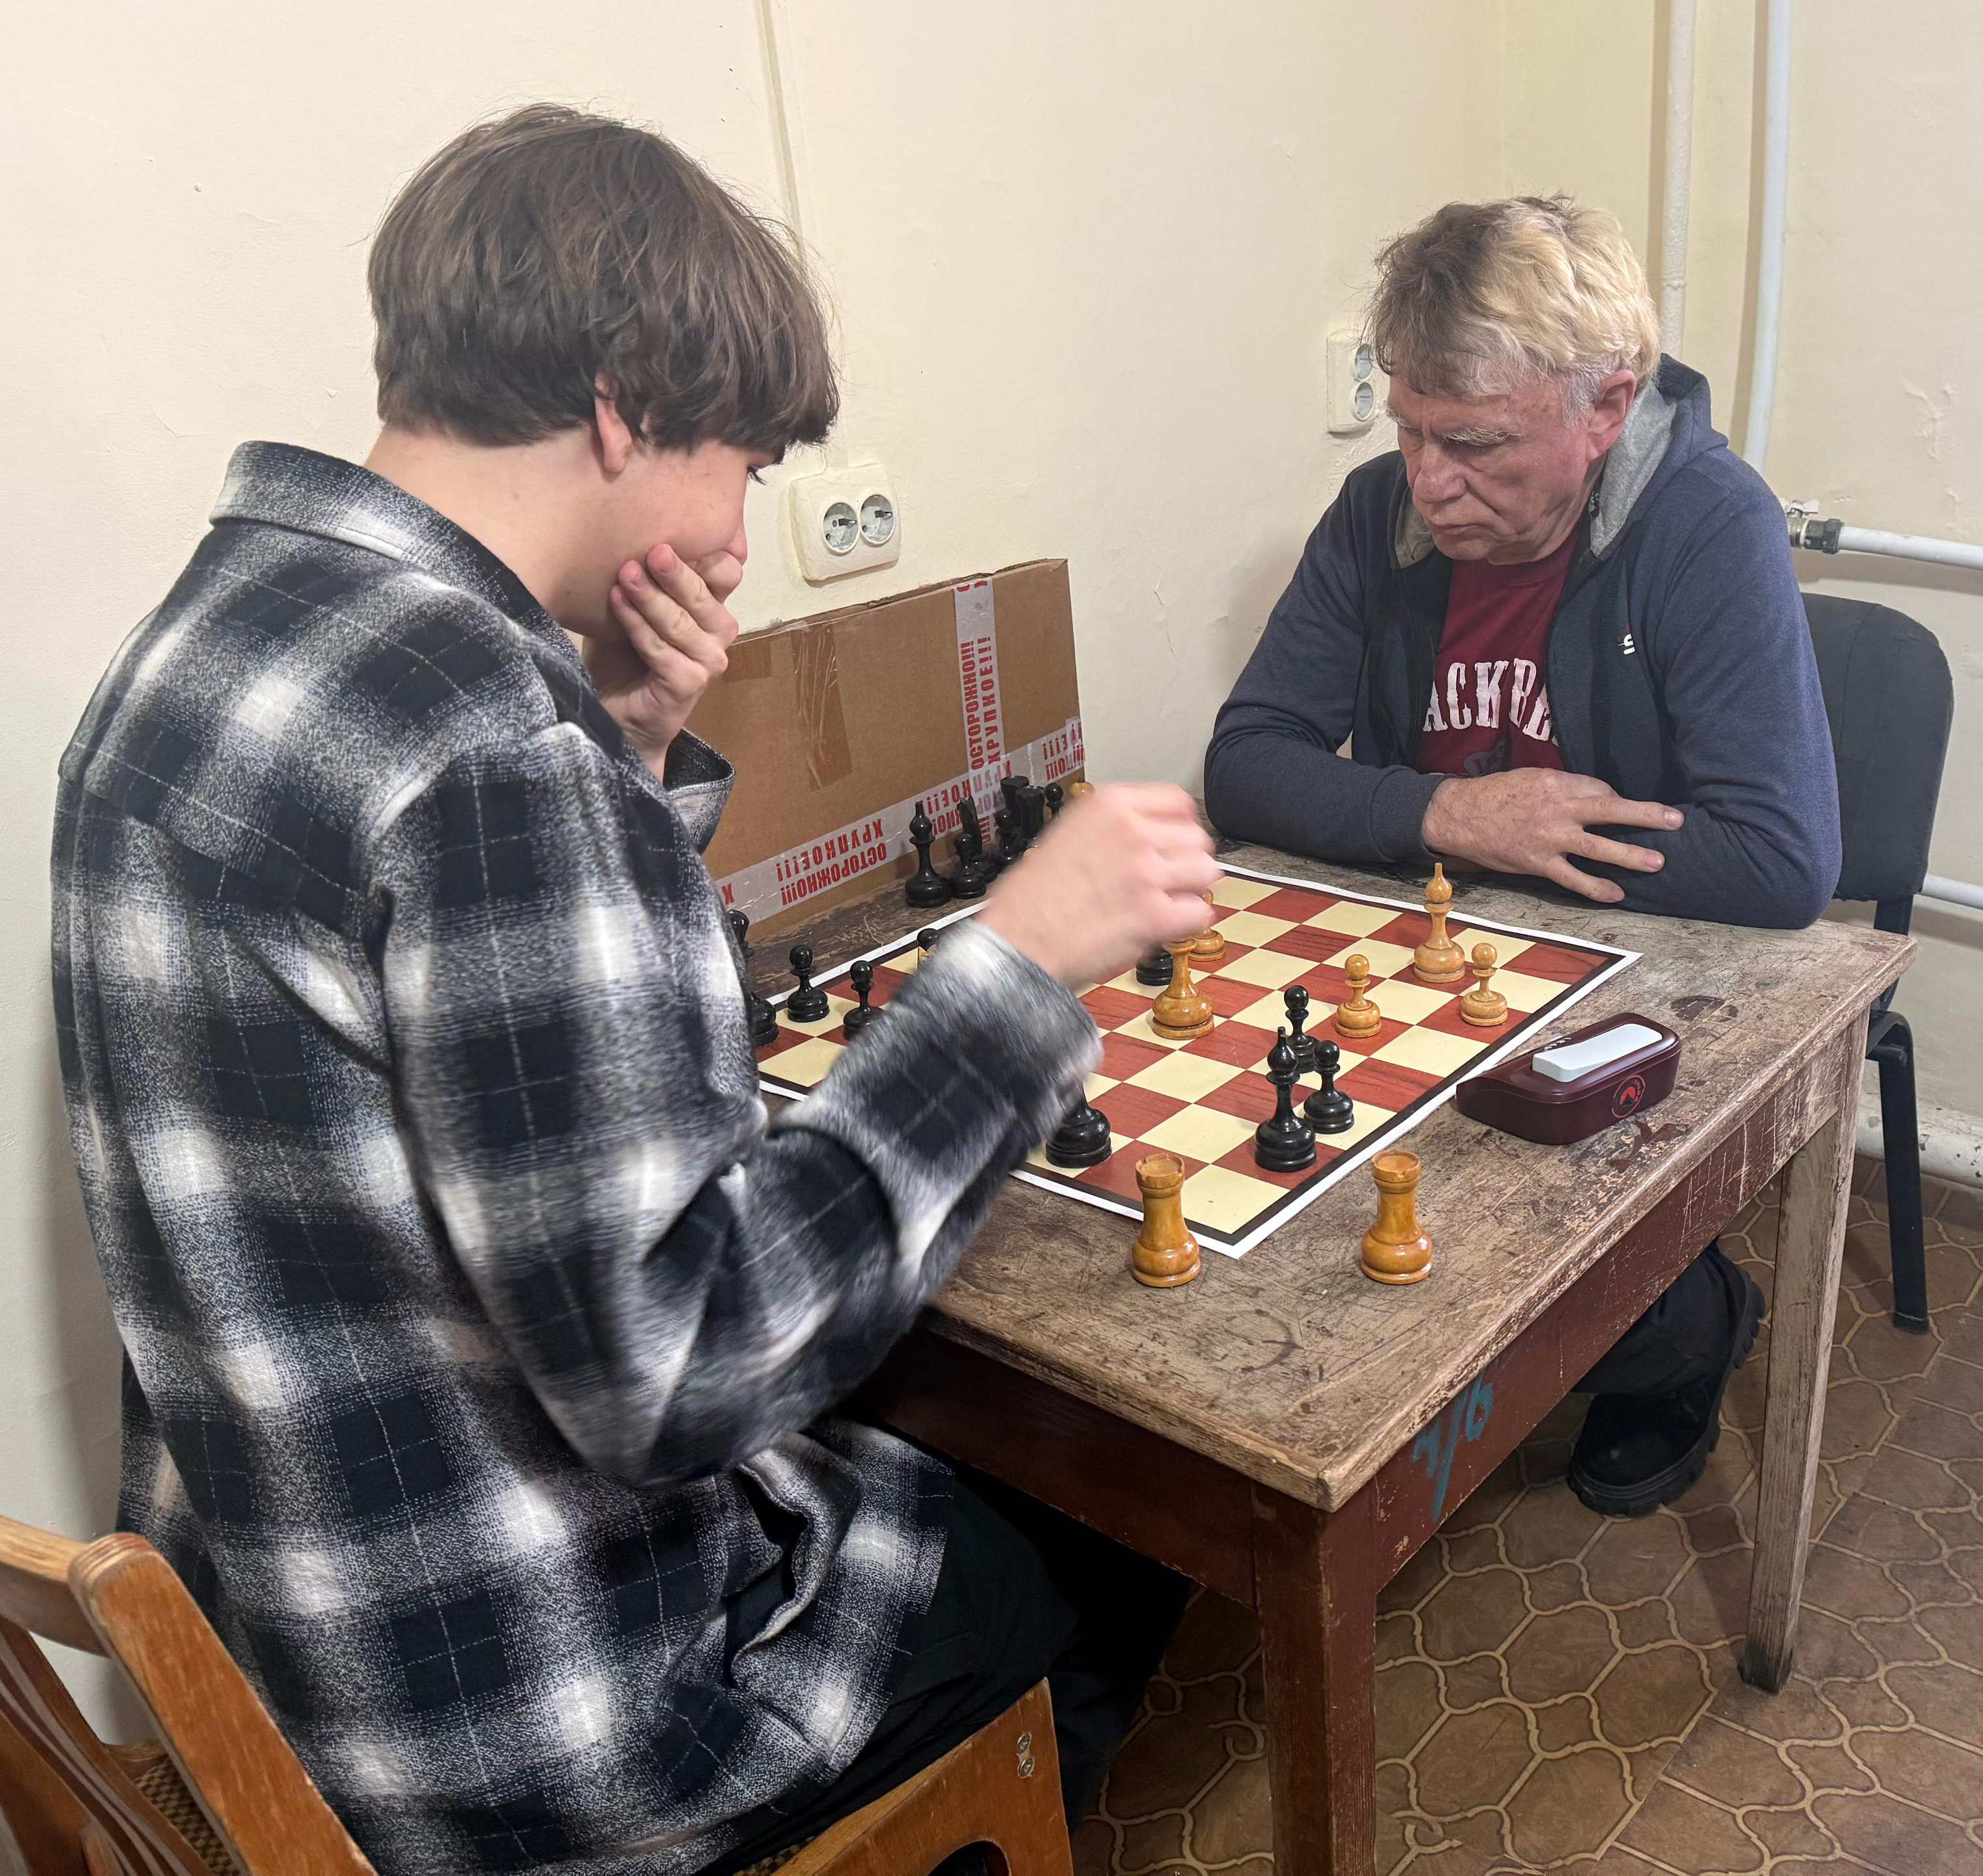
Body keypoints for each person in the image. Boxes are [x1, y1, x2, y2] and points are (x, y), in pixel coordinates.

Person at [52, 107, 1214, 1876]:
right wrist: (1013, 969)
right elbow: (684, 1373)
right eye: (742, 463)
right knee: (1109, 1530)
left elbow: (469, 1069)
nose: (738, 529)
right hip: (550, 1730)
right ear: (624, 401)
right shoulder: (495, 752)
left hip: (289, 1665)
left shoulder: (198, 646)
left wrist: (631, 748)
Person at [1205, 196, 1841, 1518]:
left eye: (1475, 443)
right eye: (1408, 428)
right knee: (1272, 1161)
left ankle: (1693, 1328)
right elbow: (1248, 761)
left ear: (1606, 404)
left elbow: (1781, 861)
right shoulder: (1376, 516)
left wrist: (1492, 842)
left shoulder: (1707, 524)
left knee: (1554, 1269)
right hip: (1434, 954)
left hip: (1639, 970)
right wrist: (1451, 816)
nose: (1428, 479)